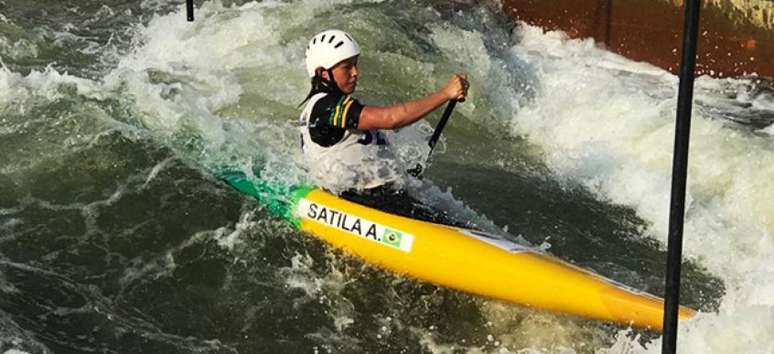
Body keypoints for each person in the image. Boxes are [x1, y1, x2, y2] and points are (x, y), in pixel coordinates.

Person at [298, 29, 469, 224]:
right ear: (323, 73)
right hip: (362, 202)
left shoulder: (335, 104)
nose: (356, 73)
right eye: (347, 67)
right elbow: (391, 119)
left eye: (355, 65)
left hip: (381, 199)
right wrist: (445, 94)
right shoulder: (325, 107)